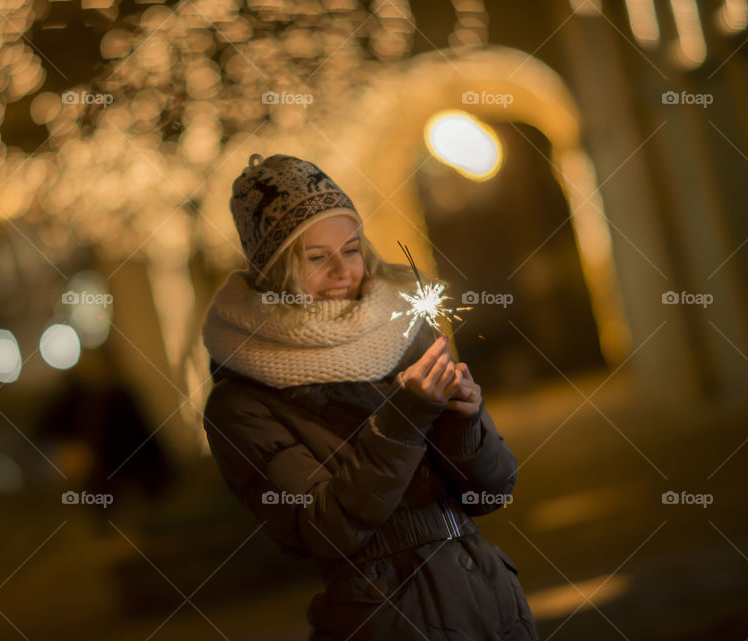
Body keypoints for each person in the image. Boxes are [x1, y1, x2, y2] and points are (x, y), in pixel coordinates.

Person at [201, 153, 538, 640]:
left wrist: (465, 419)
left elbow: (493, 491)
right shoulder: (243, 401)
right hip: (388, 618)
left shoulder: (405, 334)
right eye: (316, 258)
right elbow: (325, 529)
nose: (343, 270)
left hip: (492, 604)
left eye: (352, 249)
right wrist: (403, 420)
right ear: (275, 274)